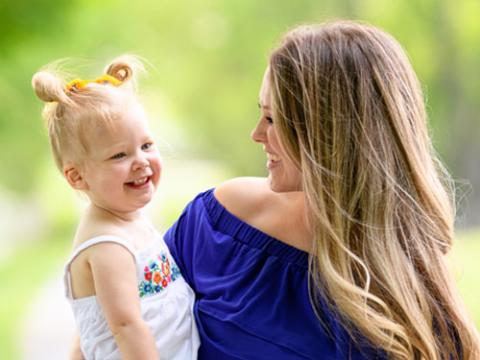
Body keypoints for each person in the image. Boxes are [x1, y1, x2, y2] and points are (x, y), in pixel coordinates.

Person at [164, 21, 480, 359]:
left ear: (328, 136)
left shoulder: (416, 294)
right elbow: (126, 314)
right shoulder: (217, 225)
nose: (256, 134)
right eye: (262, 114)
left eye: (273, 120)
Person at [32, 56, 199, 359]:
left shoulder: (128, 221)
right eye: (119, 155)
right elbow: (126, 326)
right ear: (78, 176)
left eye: (146, 145)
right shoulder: (108, 244)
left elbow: (89, 330)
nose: (141, 161)